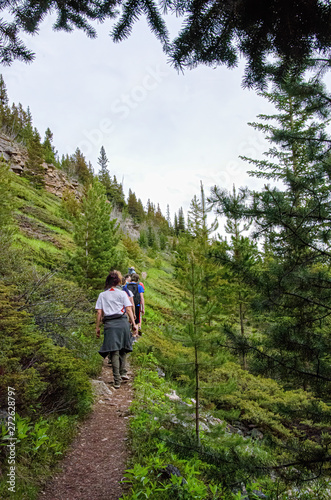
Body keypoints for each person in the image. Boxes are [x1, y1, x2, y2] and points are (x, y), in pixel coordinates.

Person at [95, 272, 138, 389]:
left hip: (110, 324)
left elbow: (99, 312)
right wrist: (134, 324)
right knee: (123, 348)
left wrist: (97, 327)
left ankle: (117, 380)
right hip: (122, 322)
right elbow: (128, 309)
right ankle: (123, 372)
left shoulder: (102, 295)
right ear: (119, 282)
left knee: (114, 351)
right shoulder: (122, 294)